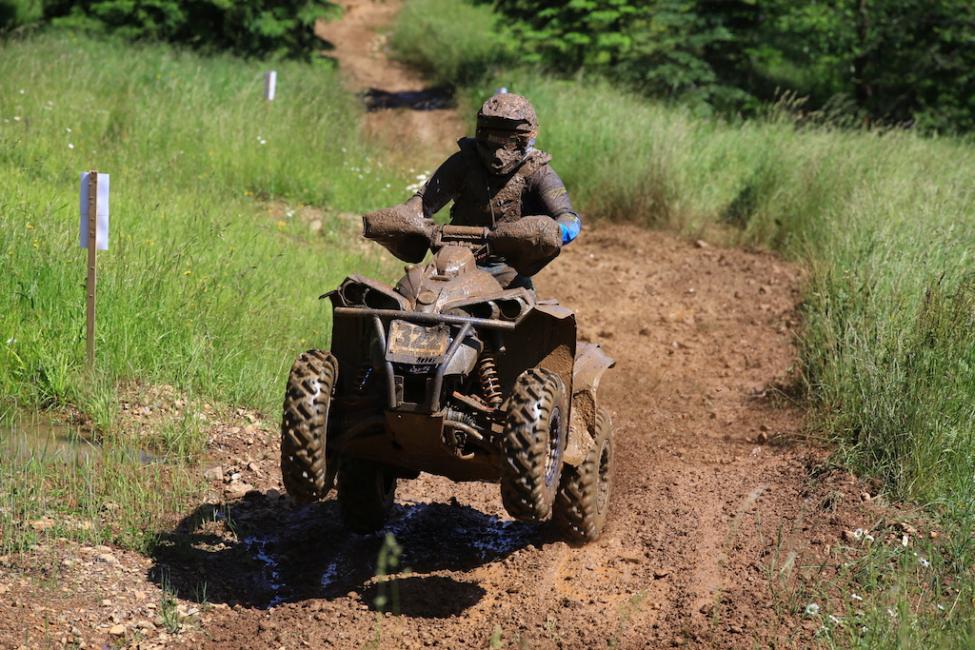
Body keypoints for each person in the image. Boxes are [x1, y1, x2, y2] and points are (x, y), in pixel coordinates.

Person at [364, 93, 582, 290]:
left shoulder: (538, 173)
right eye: (492, 140)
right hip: (449, 261)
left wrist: (551, 231)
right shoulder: (464, 162)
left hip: (505, 269)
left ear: (525, 139)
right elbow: (422, 201)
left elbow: (570, 219)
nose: (498, 152)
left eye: (509, 142)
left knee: (527, 322)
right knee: (409, 296)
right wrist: (407, 219)